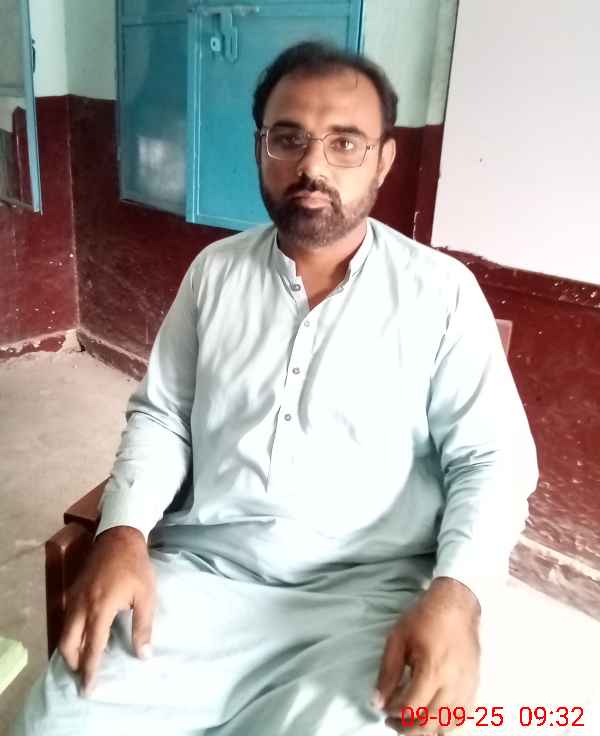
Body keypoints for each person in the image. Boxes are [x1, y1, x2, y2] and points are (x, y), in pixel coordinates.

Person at [13, 41, 538, 736]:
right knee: (54, 722)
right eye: (288, 139)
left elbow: (491, 461)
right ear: (259, 149)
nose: (312, 167)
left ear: (384, 160)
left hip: (367, 601)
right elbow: (164, 416)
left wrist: (457, 595)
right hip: (201, 578)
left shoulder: (441, 294)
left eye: (344, 143)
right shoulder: (215, 273)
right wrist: (123, 532)